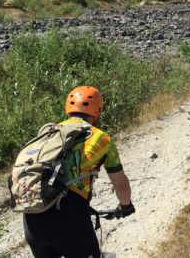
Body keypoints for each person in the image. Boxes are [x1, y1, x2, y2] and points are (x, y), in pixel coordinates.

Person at [23, 86, 135, 258]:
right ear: (97, 111)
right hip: (70, 218)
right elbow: (122, 187)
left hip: (33, 217)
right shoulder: (101, 138)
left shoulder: (49, 133)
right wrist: (125, 206)